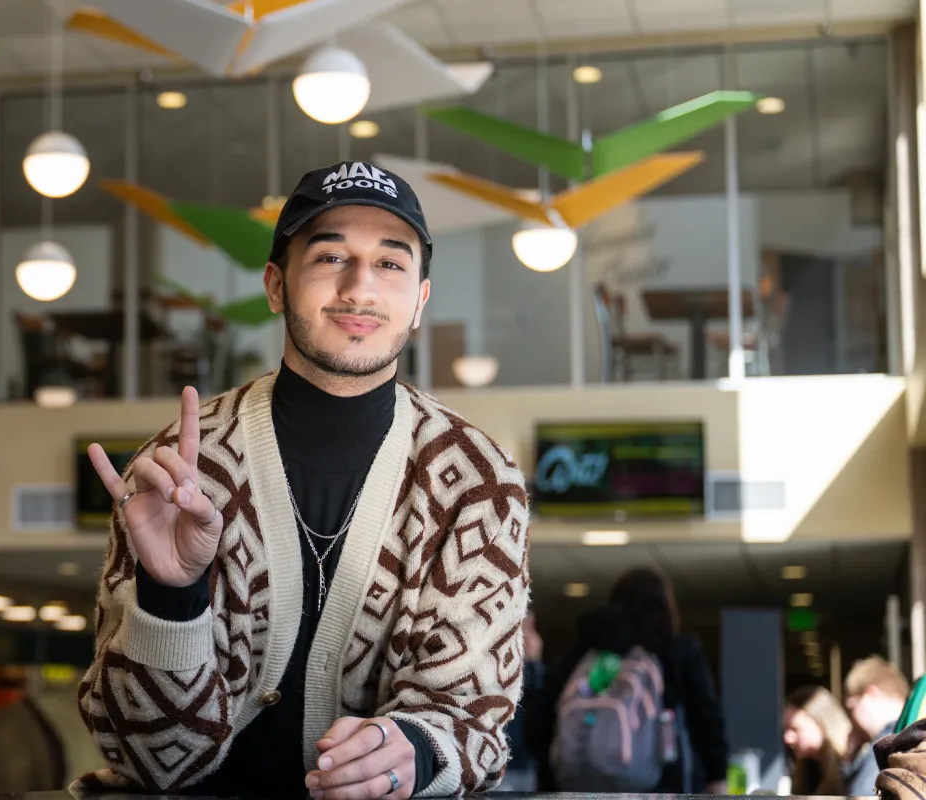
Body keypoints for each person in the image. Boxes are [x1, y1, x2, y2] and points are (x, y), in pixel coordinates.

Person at [74, 161, 531, 798]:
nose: (359, 287)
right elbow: (150, 762)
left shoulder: (478, 483)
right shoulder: (180, 472)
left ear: (420, 300)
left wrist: (418, 751)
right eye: (330, 256)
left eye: (390, 263)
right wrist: (170, 598)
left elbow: (472, 721)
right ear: (275, 285)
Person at [526, 567, 729, 794]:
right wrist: (717, 775)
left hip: (580, 789)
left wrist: (556, 775)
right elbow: (706, 718)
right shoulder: (675, 654)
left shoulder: (582, 656)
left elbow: (539, 719)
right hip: (662, 787)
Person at [784, 685, 869, 796]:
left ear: (821, 724)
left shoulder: (854, 762)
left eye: (795, 729)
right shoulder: (806, 770)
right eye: (785, 729)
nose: (787, 738)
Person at [844, 656, 909, 793]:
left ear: (871, 694)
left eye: (851, 708)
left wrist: (849, 756)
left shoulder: (886, 742)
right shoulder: (911, 730)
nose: (851, 719)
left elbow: (861, 793)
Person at [499, 613, 546, 792]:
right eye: (525, 626)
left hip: (524, 762)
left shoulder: (531, 670)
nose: (531, 635)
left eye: (532, 627)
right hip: (504, 765)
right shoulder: (495, 666)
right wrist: (532, 662)